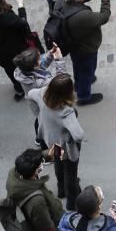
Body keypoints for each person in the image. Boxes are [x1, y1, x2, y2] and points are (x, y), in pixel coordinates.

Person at [26, 73, 84, 211]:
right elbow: (79, 135)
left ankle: (61, 189)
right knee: (71, 172)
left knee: (58, 162)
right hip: (66, 146)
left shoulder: (42, 93)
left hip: (53, 142)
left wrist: (39, 115)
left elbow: (29, 94)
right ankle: (71, 202)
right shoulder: (66, 112)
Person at [5, 149, 65, 231]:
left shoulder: (14, 173)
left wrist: (47, 155)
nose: (42, 166)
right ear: (35, 172)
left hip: (26, 220)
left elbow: (27, 159)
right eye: (40, 166)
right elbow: (46, 227)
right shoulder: (37, 200)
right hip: (39, 220)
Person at [54, 0, 110, 104]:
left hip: (72, 44)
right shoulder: (84, 16)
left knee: (77, 66)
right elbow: (104, 17)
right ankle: (84, 96)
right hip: (86, 48)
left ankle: (78, 84)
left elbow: (75, 3)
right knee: (87, 70)